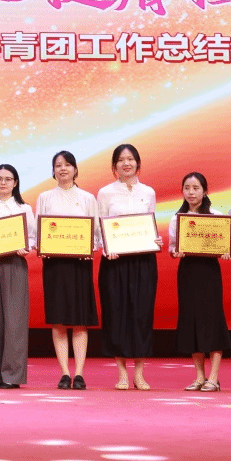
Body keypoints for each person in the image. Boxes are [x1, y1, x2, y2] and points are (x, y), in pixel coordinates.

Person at [96, 143, 161, 391]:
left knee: (142, 315)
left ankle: (140, 374)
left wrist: (155, 240)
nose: (126, 163)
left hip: (144, 261)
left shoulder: (148, 192)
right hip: (115, 262)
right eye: (121, 160)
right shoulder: (105, 193)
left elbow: (150, 224)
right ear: (114, 165)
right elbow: (100, 228)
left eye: (131, 159)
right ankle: (122, 373)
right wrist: (106, 246)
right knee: (117, 315)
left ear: (138, 163)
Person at [36, 150, 98, 390]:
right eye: (58, 165)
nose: (63, 169)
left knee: (80, 320)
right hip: (54, 264)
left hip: (80, 263)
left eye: (67, 165)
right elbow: (39, 231)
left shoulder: (87, 198)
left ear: (75, 169)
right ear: (53, 171)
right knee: (59, 320)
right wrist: (43, 247)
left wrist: (89, 248)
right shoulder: (45, 197)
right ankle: (64, 372)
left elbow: (96, 234)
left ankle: (79, 373)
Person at [169, 171, 230, 391]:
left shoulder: (215, 216)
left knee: (212, 321)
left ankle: (214, 377)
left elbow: (227, 245)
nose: (191, 192)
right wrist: (175, 252)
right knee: (191, 322)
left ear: (205, 191)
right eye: (187, 188)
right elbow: (172, 247)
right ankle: (199, 377)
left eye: (196, 188)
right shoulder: (178, 218)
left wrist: (226, 251)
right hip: (187, 272)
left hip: (209, 272)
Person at [0, 163, 35, 389]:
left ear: (15, 183)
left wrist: (26, 247)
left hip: (15, 264)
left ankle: (13, 375)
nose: (3, 183)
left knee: (15, 321)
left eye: (8, 179)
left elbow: (32, 237)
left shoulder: (24, 208)